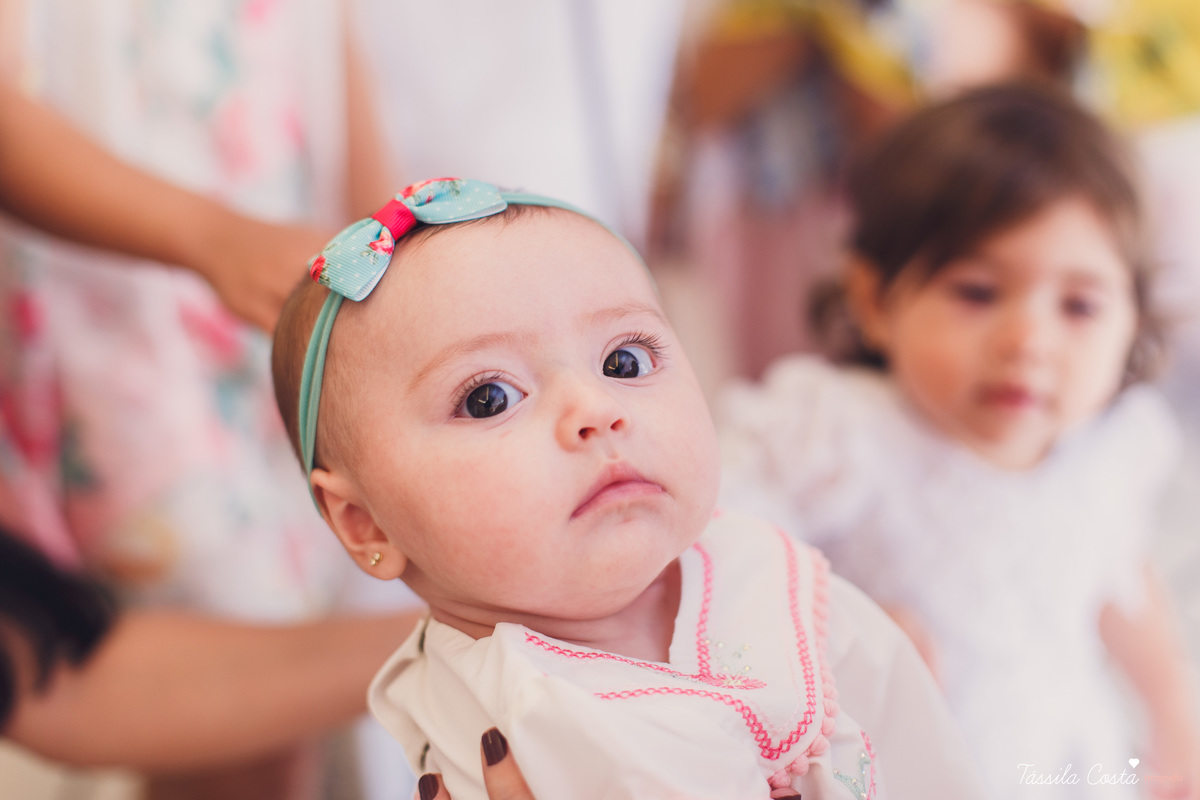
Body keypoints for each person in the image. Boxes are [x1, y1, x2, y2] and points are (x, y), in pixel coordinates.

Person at [269, 177, 985, 799]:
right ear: (365, 524)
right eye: (489, 397)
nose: (595, 410)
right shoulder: (534, 713)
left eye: (625, 359)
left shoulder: (746, 564)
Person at [719, 83, 1200, 798]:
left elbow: (1122, 586)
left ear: (1133, 318)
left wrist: (1173, 716)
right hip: (891, 767)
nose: (1028, 341)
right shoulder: (841, 430)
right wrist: (836, 621)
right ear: (876, 300)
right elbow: (724, 531)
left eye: (1079, 305)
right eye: (977, 291)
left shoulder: (1107, 451)